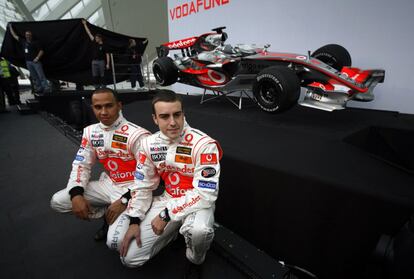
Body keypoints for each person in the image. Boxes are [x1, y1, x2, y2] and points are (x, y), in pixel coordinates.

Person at [107, 90, 222, 277]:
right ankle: (172, 233)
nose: (173, 122)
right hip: (168, 198)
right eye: (164, 116)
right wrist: (135, 220)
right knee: (128, 257)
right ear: (154, 119)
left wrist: (167, 214)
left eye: (177, 114)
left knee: (199, 231)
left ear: (183, 113)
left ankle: (195, 259)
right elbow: (142, 185)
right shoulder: (148, 144)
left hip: (197, 203)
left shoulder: (204, 144)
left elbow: (205, 194)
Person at [50, 87, 150, 241]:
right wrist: (76, 194)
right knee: (59, 201)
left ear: (119, 106)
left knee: (114, 242)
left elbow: (149, 177)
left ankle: (123, 217)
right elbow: (81, 164)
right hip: (110, 184)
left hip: (133, 189)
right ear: (92, 108)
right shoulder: (90, 132)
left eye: (109, 106)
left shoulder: (138, 135)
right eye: (98, 107)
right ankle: (105, 212)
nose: (103, 112)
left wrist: (124, 200)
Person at [8, 24, 50, 94]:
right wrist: (10, 27)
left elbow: (41, 51)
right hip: (28, 62)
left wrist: (37, 58)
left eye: (29, 35)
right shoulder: (23, 42)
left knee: (41, 76)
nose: (28, 36)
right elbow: (14, 36)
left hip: (36, 62)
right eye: (27, 35)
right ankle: (39, 88)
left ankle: (46, 88)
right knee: (34, 77)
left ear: (31, 35)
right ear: (25, 35)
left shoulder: (36, 42)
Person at [82, 19, 110, 89]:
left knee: (102, 75)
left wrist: (108, 64)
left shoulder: (104, 45)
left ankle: (103, 87)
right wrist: (85, 24)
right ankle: (97, 88)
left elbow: (107, 55)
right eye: (95, 38)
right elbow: (89, 33)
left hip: (101, 62)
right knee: (95, 75)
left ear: (100, 38)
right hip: (94, 62)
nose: (96, 39)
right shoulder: (94, 42)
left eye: (97, 38)